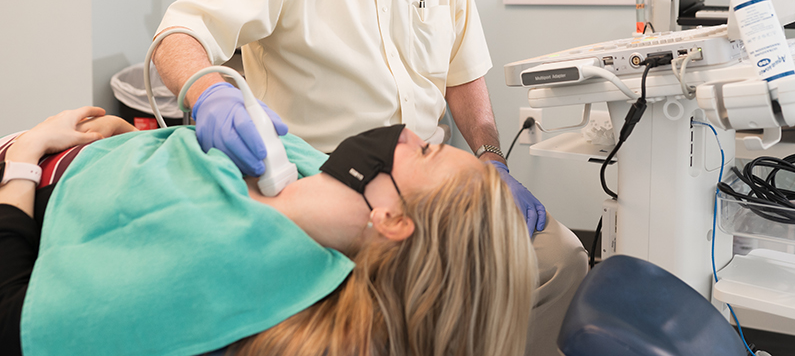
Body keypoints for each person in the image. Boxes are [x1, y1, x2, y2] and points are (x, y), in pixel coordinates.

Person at [153, 0, 588, 355]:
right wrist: (207, 89)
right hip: (331, 181)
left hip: (428, 181)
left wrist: (489, 159)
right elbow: (178, 35)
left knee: (560, 259)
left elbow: (464, 77)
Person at [0, 107, 535, 356]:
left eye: (424, 150)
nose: (408, 132)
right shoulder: (309, 168)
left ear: (392, 219)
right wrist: (128, 140)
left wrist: (23, 159)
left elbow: (13, 322)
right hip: (70, 145)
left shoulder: (226, 261)